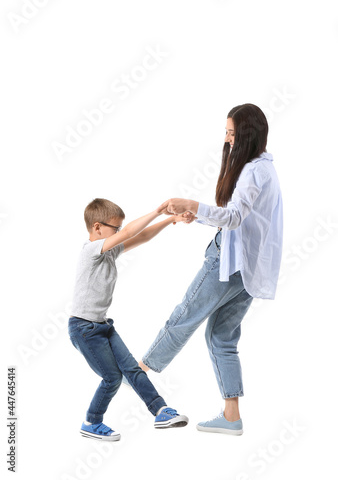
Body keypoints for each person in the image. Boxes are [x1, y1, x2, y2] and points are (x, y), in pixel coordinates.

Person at [138, 103, 283, 435]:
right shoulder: (265, 168)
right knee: (221, 336)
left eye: (232, 133)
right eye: (227, 133)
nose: (228, 140)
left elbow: (233, 219)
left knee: (185, 314)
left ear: (248, 135)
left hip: (228, 264)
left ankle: (139, 372)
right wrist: (199, 215)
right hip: (247, 270)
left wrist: (192, 205)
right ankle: (231, 416)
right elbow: (241, 220)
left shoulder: (252, 172)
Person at [68, 198, 189, 441]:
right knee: (112, 377)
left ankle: (160, 411)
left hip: (103, 326)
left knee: (132, 368)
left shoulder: (109, 251)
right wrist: (156, 211)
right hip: (84, 328)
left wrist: (170, 220)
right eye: (116, 229)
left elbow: (141, 237)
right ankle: (91, 422)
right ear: (97, 227)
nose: (121, 233)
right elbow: (134, 230)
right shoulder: (90, 250)